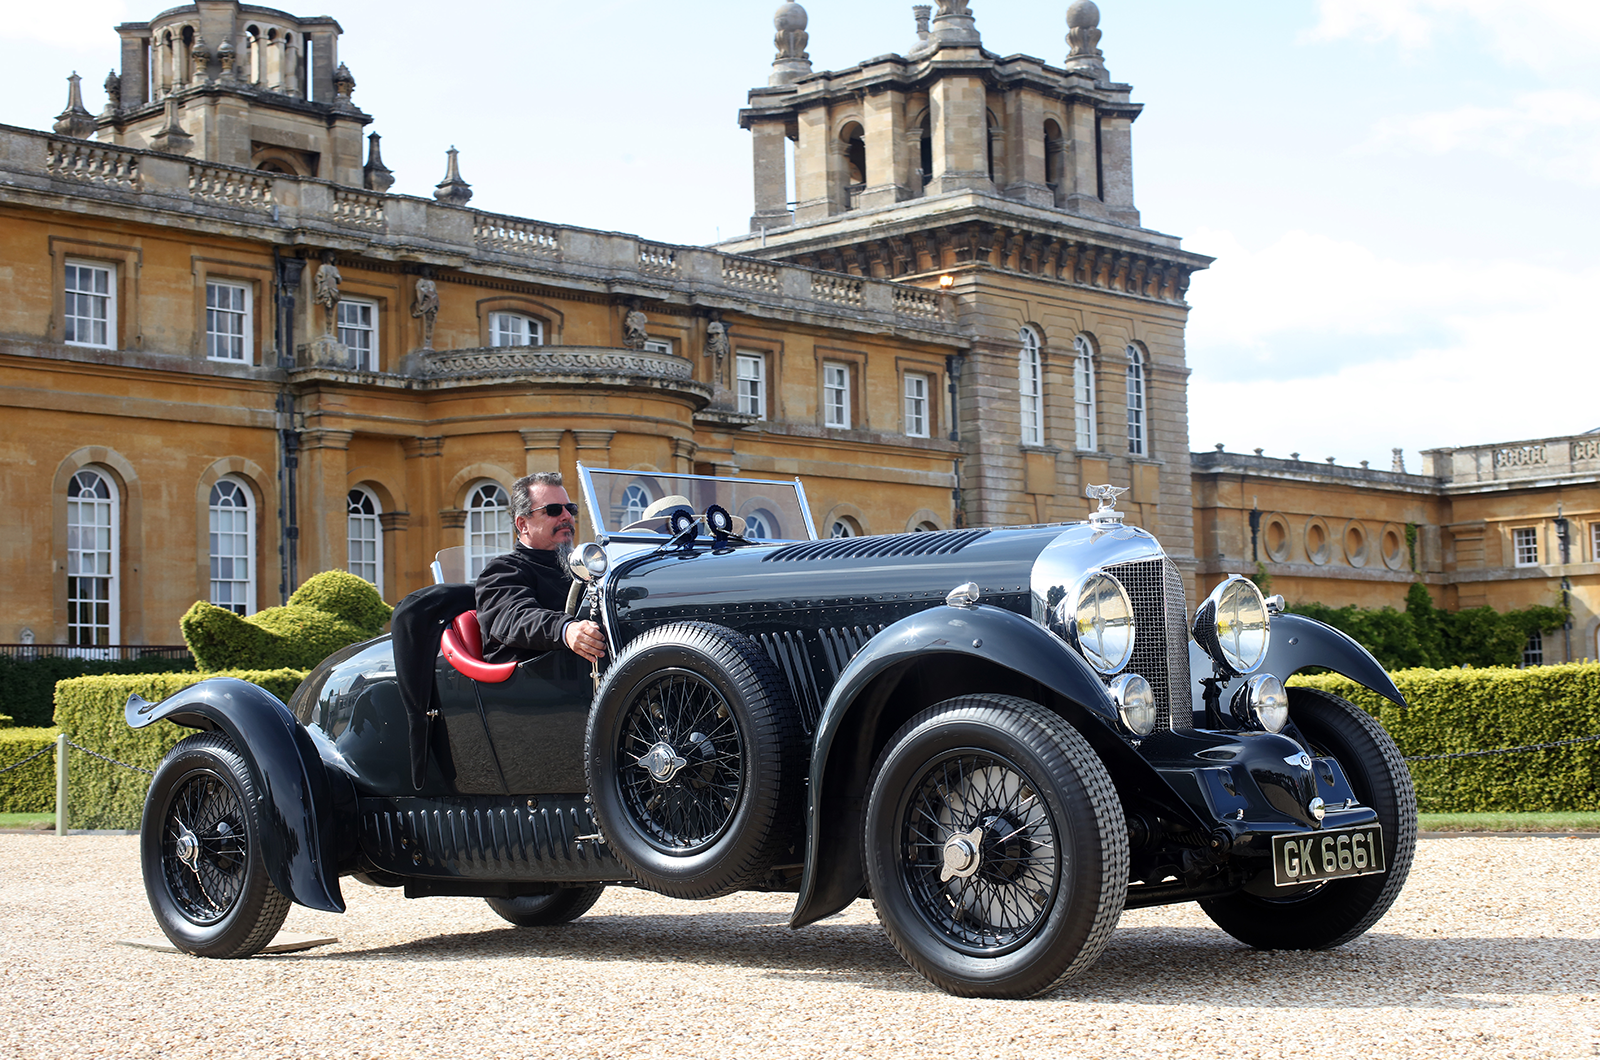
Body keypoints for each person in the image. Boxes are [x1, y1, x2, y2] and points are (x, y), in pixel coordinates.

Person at [474, 472, 606, 666]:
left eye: (570, 509)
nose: (567, 516)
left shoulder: (582, 567)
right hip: (535, 683)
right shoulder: (502, 571)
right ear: (523, 524)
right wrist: (566, 630)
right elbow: (514, 617)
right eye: (553, 510)